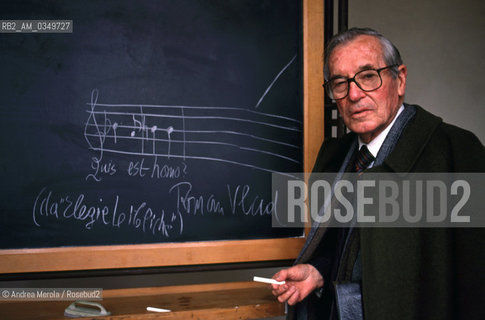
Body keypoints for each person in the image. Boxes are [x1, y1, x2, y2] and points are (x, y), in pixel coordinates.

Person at [271, 27, 485, 320]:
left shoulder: (456, 153)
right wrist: (318, 272)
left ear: (400, 80)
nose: (354, 94)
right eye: (340, 83)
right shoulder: (335, 157)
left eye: (368, 76)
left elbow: (475, 279)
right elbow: (347, 250)